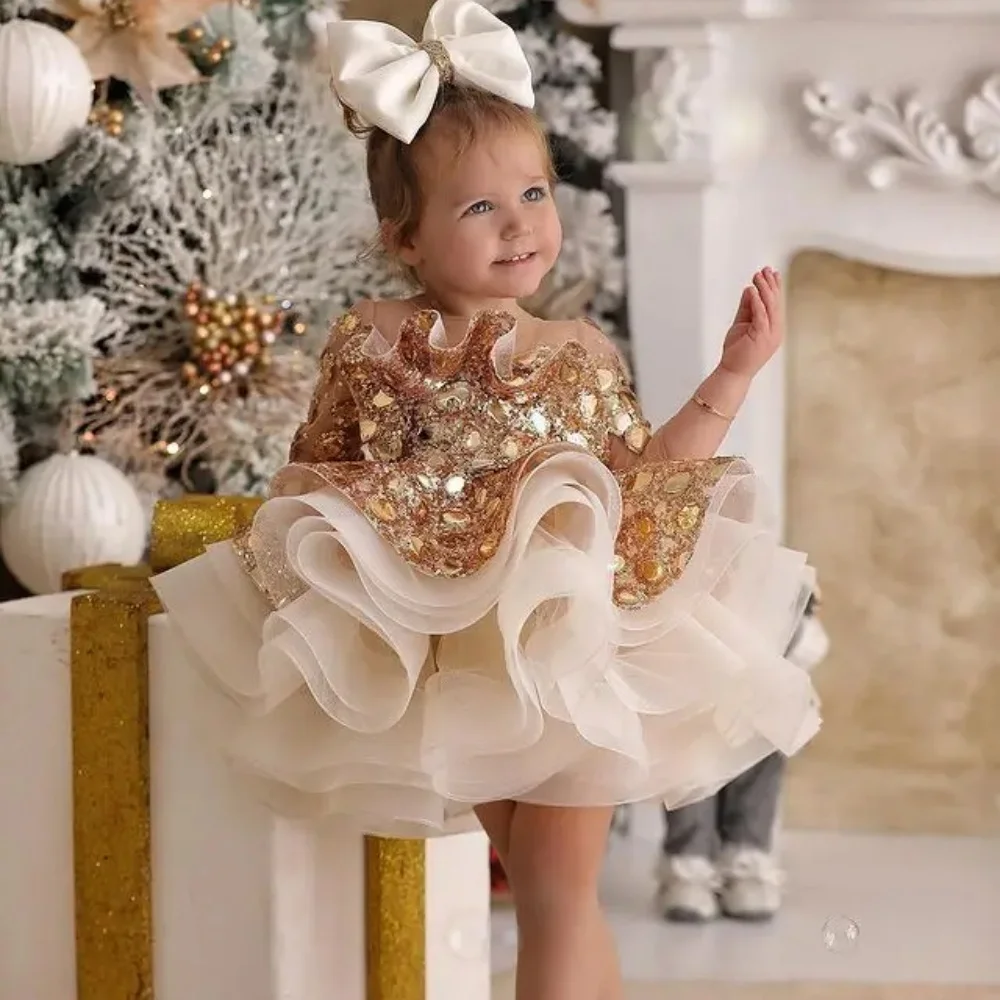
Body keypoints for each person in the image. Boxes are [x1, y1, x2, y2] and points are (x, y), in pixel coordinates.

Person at [150, 3, 821, 999]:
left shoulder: (577, 355)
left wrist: (731, 374)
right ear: (404, 238)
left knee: (556, 885)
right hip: (449, 662)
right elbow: (315, 472)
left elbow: (643, 491)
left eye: (534, 193)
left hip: (570, 651)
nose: (520, 224)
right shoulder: (371, 341)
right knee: (558, 894)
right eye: (478, 208)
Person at [657, 590, 830, 923]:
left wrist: (796, 623)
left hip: (762, 689)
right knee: (693, 767)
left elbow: (811, 643)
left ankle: (746, 855)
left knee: (760, 760)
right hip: (699, 679)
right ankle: (689, 862)